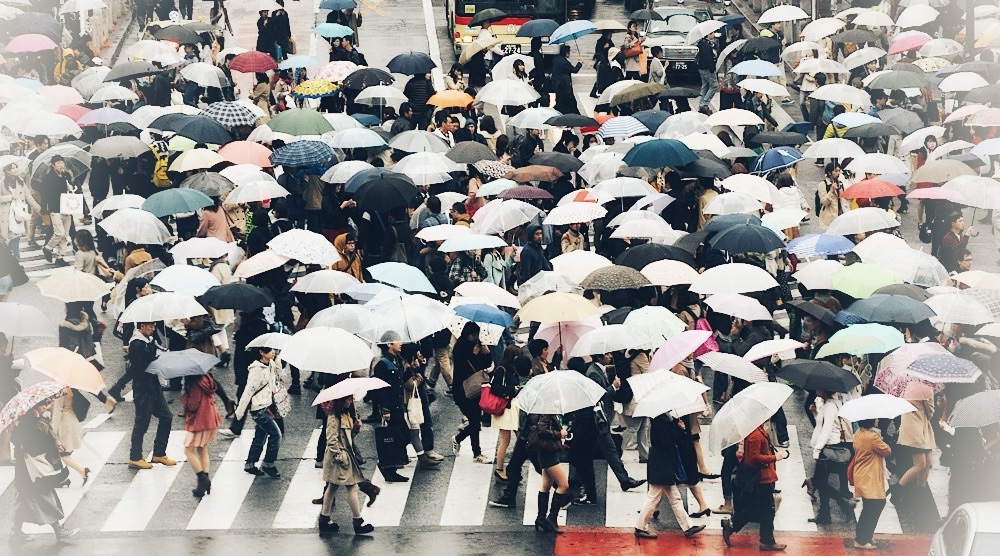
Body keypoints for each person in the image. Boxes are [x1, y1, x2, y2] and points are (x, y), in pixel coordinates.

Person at [9, 397, 79, 542]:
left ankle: (16, 530)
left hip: (26, 470)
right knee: (45, 497)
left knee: (25, 500)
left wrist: (54, 441)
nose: (45, 407)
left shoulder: (23, 422)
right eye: (43, 405)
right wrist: (51, 440)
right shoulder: (35, 423)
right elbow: (38, 444)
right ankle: (59, 530)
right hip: (32, 470)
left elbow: (16, 440)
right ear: (35, 407)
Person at [635, 413, 708, 539]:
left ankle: (688, 527)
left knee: (675, 498)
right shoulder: (660, 420)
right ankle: (640, 527)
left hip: (662, 464)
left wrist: (675, 426)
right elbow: (666, 441)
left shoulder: (661, 418)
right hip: (662, 465)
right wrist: (679, 428)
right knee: (654, 498)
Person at [118, 322, 177, 470]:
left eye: (154, 326)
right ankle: (135, 457)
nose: (153, 328)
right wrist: (159, 358)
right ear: (141, 327)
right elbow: (139, 368)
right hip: (143, 388)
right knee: (142, 423)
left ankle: (159, 453)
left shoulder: (149, 340)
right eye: (150, 326)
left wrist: (162, 352)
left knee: (166, 417)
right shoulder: (137, 343)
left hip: (154, 386)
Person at [722, 423, 789, 551]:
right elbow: (752, 459)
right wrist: (775, 457)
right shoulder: (755, 435)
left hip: (764, 477)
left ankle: (734, 526)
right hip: (762, 479)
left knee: (761, 509)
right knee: (767, 510)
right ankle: (765, 540)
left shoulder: (758, 431)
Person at [318, 396, 374, 536]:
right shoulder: (333, 417)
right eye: (349, 399)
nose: (351, 401)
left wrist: (356, 428)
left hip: (344, 457)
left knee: (332, 487)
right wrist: (340, 457)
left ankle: (324, 519)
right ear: (341, 400)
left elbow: (349, 438)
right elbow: (331, 440)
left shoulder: (345, 414)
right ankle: (358, 522)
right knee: (351, 487)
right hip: (339, 459)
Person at [807, 391, 855, 524]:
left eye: (818, 388)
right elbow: (823, 424)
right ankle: (824, 514)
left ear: (824, 389)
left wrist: (817, 450)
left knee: (820, 482)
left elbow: (827, 429)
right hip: (830, 446)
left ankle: (842, 501)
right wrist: (815, 413)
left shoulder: (829, 406)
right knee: (821, 484)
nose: (815, 391)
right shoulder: (831, 404)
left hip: (828, 448)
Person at [235, 346, 282, 478]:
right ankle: (268, 464)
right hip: (258, 409)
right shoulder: (256, 370)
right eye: (270, 350)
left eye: (274, 350)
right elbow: (249, 390)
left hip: (267, 405)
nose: (273, 352)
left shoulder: (271, 364)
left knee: (260, 437)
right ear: (261, 353)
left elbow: (278, 377)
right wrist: (240, 412)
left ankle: (250, 464)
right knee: (276, 435)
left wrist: (277, 362)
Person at [451, 322, 492, 464]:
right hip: (462, 390)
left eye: (476, 335)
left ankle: (469, 447)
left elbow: (485, 365)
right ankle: (475, 451)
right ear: (466, 334)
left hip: (476, 389)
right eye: (472, 335)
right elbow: (463, 368)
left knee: (475, 421)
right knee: (474, 421)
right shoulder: (460, 347)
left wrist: (486, 353)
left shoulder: (478, 345)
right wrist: (474, 355)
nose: (475, 338)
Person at [528, 413, 572, 533]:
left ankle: (541, 518)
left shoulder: (550, 410)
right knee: (563, 485)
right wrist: (559, 434)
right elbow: (542, 431)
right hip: (548, 453)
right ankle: (552, 518)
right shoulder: (546, 411)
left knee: (545, 485)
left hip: (547, 451)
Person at [851, 418, 891, 550]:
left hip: (862, 474)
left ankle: (866, 535)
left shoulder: (858, 433)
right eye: (875, 418)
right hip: (870, 476)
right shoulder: (872, 437)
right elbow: (887, 451)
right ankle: (861, 539)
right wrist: (879, 436)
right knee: (876, 504)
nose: (877, 420)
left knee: (869, 506)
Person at [181, 372, 222, 498]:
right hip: (210, 418)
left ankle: (202, 478)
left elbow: (192, 405)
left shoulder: (194, 384)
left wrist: (184, 395)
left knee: (188, 450)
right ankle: (204, 483)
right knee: (202, 449)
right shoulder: (206, 378)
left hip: (199, 420)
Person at [490, 346, 525, 481]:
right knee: (506, 440)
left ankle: (513, 469)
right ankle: (500, 469)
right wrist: (512, 389)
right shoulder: (501, 370)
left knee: (520, 438)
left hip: (512, 408)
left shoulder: (512, 369)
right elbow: (494, 388)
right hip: (505, 409)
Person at [37, 155, 75, 265]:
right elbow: (44, 195)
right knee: (59, 232)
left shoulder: (66, 176)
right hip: (55, 208)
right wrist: (44, 209)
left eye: (62, 163)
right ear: (53, 165)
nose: (61, 165)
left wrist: (71, 187)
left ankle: (60, 257)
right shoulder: (48, 178)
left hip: (67, 208)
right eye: (58, 163)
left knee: (65, 235)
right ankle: (47, 247)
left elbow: (71, 190)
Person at [551, 44, 583, 115]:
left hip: (557, 84)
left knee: (560, 101)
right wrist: (580, 63)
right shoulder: (564, 63)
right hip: (564, 85)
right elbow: (574, 70)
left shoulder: (555, 59)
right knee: (569, 102)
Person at [817, 163, 846, 230]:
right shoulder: (823, 184)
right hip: (829, 219)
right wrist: (831, 191)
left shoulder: (840, 183)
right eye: (836, 171)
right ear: (829, 173)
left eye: (839, 171)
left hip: (840, 217)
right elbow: (824, 202)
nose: (838, 173)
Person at [696, 37, 718, 114]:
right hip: (707, 68)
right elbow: (708, 58)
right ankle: (704, 104)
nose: (714, 35)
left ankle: (701, 104)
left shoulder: (702, 44)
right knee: (714, 86)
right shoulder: (706, 45)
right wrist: (712, 68)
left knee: (705, 86)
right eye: (712, 33)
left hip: (701, 67)